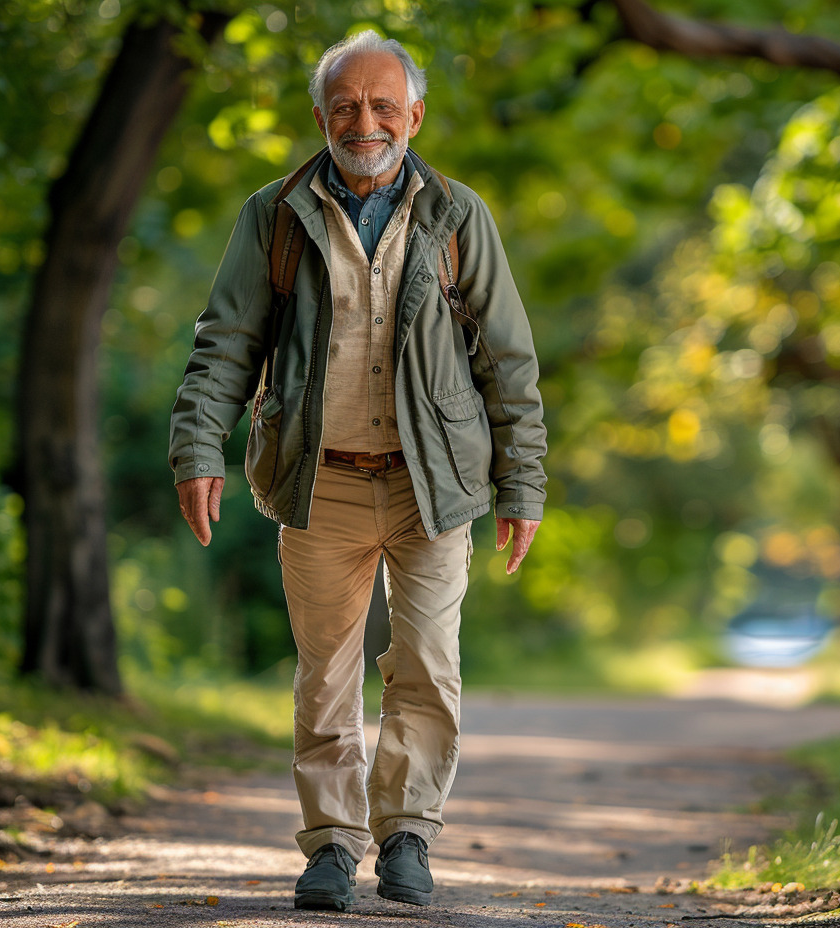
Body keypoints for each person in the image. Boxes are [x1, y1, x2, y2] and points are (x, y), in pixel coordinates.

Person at [168, 31, 546, 912]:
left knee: (425, 663)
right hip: (319, 478)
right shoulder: (274, 213)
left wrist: (522, 487)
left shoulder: (459, 215)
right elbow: (225, 345)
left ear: (414, 114)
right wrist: (197, 450)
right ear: (321, 115)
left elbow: (509, 363)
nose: (363, 121)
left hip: (433, 481)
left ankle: (408, 834)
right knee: (325, 670)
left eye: (383, 105)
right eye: (346, 105)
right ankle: (332, 845)